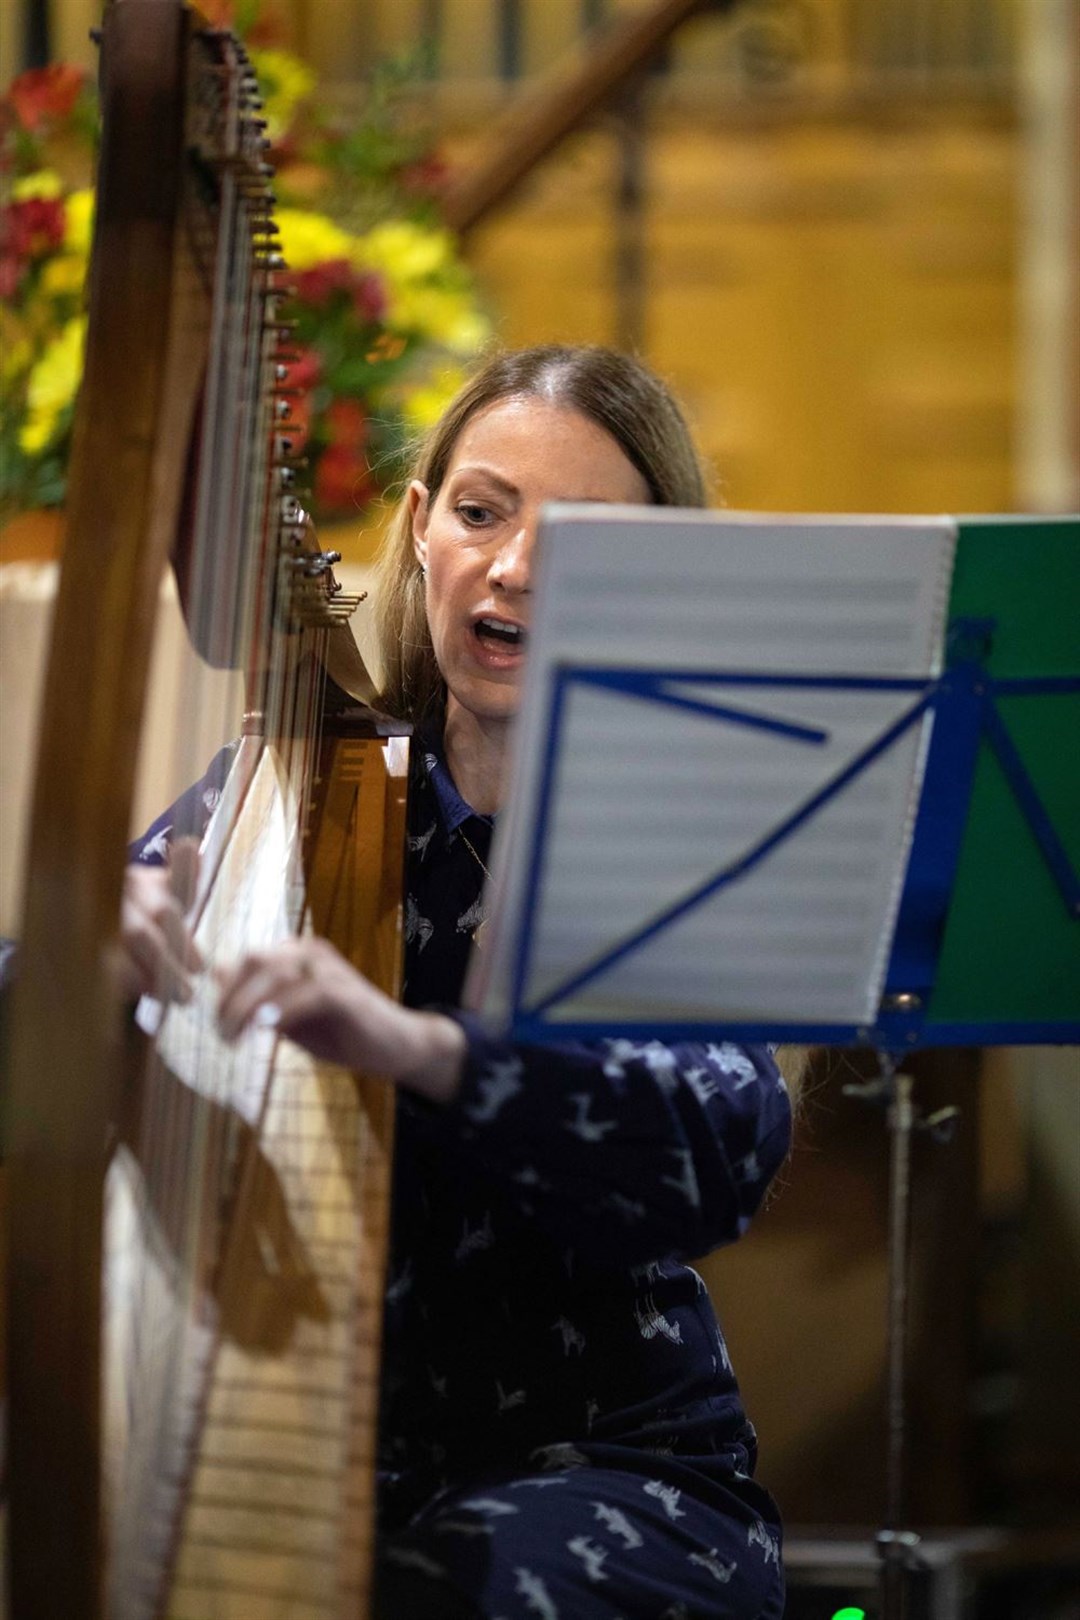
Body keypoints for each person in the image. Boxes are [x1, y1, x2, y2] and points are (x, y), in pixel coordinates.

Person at [124, 344, 797, 1620]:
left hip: (607, 1471)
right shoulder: (300, 795)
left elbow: (720, 1150)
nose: (521, 570)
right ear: (422, 532)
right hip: (319, 1443)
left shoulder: (675, 841)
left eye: (587, 541)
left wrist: (420, 1050)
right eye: (484, 512)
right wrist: (92, 947)